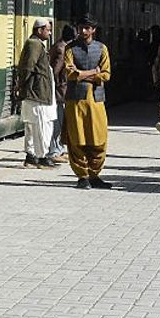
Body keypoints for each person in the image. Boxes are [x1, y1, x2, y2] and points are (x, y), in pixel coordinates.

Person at [64, 14, 113, 189]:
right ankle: (82, 176)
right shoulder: (70, 48)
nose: (83, 31)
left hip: (96, 100)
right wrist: (93, 72)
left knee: (98, 139)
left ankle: (95, 175)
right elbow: (70, 73)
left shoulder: (102, 48)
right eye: (80, 28)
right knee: (77, 140)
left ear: (93, 30)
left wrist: (82, 74)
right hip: (75, 100)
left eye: (87, 28)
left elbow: (106, 74)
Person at [17, 19, 57, 169]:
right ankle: (41, 157)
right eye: (48, 30)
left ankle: (32, 156)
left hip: (36, 93)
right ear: (40, 30)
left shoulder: (36, 43)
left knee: (33, 125)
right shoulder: (34, 44)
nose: (50, 33)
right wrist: (22, 86)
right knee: (41, 126)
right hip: (37, 93)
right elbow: (28, 67)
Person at [45, 25, 74, 163]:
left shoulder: (60, 46)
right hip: (59, 91)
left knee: (61, 121)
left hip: (60, 90)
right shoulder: (62, 49)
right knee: (57, 121)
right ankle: (54, 151)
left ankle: (60, 149)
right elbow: (55, 71)